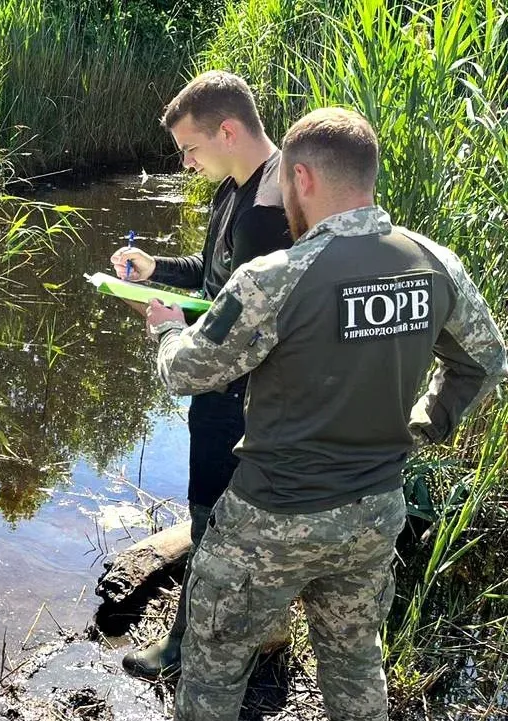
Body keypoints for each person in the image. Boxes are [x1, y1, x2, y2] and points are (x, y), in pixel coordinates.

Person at [144, 107, 507, 721]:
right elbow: (487, 361)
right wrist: (423, 425)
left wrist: (167, 333)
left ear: (302, 178)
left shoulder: (274, 278)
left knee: (214, 664)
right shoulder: (435, 263)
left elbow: (188, 373)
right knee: (355, 661)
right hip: (372, 512)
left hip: (271, 516)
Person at [109, 70, 292, 679]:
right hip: (229, 382)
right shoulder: (235, 191)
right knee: (241, 515)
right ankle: (267, 632)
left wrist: (168, 327)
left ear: (229, 130)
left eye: (190, 148)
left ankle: (184, 646)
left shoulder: (267, 214)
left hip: (234, 392)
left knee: (209, 511)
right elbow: (216, 280)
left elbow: (242, 326)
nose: (185, 163)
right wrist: (154, 266)